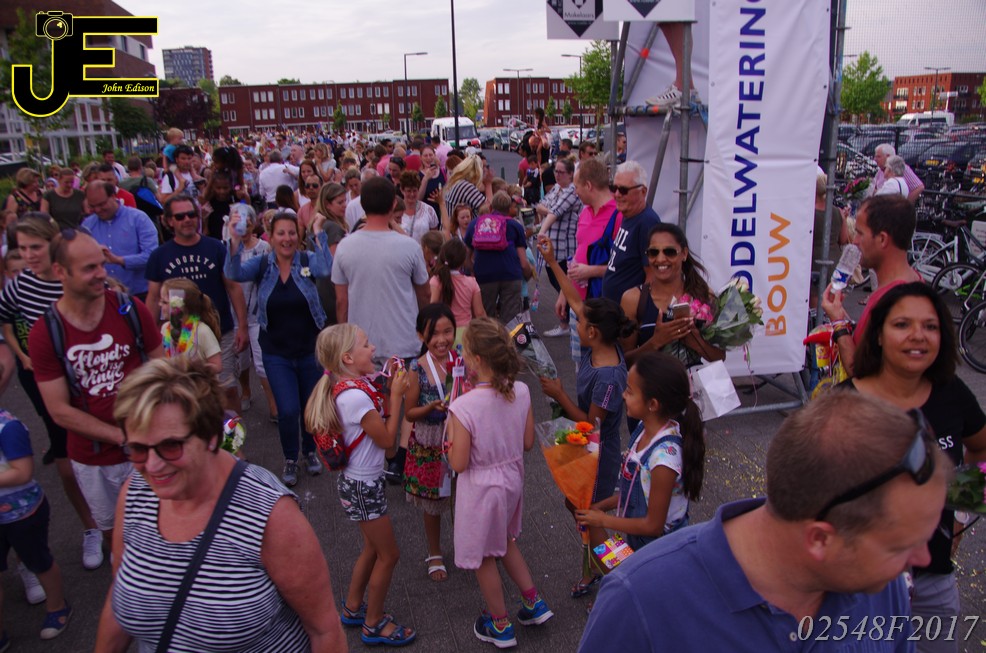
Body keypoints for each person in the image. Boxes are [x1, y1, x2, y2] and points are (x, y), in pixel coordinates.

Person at [580, 391, 949, 651]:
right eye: (900, 546)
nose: (923, 559)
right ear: (820, 539)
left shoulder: (883, 585)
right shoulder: (639, 605)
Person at [95, 356, 346, 652]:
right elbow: (121, 597)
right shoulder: (134, 494)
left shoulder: (269, 514)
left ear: (212, 437)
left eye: (171, 445)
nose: (152, 466)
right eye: (137, 448)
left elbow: (324, 630)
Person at [837, 283, 986, 653]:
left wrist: (962, 512)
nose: (918, 335)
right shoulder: (842, 404)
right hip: (857, 584)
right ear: (879, 335)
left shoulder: (951, 392)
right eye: (902, 324)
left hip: (933, 581)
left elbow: (981, 447)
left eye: (930, 326)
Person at [28, 231, 164, 566]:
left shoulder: (130, 309)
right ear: (60, 272)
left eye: (102, 264)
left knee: (165, 525)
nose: (102, 274)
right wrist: (121, 437)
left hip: (150, 446)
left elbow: (161, 369)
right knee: (115, 533)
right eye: (90, 268)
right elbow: (59, 411)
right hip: (94, 460)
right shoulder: (46, 333)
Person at [304, 324, 416, 647]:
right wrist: (396, 397)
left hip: (359, 483)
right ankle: (373, 623)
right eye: (366, 345)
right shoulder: (355, 398)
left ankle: (353, 608)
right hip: (364, 487)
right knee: (389, 555)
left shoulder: (353, 385)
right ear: (348, 358)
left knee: (371, 548)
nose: (373, 348)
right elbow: (389, 444)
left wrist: (389, 384)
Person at [0, 215, 102, 569]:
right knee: (66, 465)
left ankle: (121, 523)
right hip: (46, 379)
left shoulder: (76, 278)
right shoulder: (20, 285)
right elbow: (4, 316)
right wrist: (19, 353)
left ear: (55, 245)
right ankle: (91, 527)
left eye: (36, 247)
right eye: (22, 248)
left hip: (91, 376)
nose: (28, 255)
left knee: (108, 458)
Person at [447, 318, 553, 648]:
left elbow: (459, 463)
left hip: (481, 489)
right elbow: (527, 442)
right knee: (505, 541)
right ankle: (533, 603)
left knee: (483, 556)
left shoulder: (462, 406)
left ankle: (500, 623)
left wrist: (449, 444)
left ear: (477, 360)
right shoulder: (520, 391)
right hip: (511, 480)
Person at [537, 236, 633, 596]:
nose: (575, 324)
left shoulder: (608, 376)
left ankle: (622, 579)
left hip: (599, 454)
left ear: (592, 333)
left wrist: (559, 394)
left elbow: (592, 425)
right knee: (578, 508)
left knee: (591, 515)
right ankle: (595, 569)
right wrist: (551, 260)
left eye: (580, 324)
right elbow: (576, 300)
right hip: (586, 448)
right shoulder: (601, 342)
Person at [226, 210, 332, 487]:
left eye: (292, 233)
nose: (287, 239)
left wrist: (318, 232)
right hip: (276, 353)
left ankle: (309, 451)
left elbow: (325, 270)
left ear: (299, 235)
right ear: (271, 237)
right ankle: (290, 457)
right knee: (287, 410)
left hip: (309, 350)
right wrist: (234, 241)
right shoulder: (262, 265)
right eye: (281, 233)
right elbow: (233, 273)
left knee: (309, 408)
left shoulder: (307, 260)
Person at [577, 351, 705, 553]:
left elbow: (653, 526)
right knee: (606, 557)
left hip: (660, 551)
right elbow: (639, 492)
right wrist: (601, 506)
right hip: (641, 542)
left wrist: (603, 520)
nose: (623, 395)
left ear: (652, 404)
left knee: (614, 563)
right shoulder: (642, 430)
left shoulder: (664, 461)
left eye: (629, 391)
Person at [145, 195, 250, 412]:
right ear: (169, 221)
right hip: (179, 331)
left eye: (191, 214)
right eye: (180, 216)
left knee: (227, 388)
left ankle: (233, 433)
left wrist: (242, 326)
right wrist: (150, 333)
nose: (187, 220)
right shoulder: (160, 255)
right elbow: (154, 297)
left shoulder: (216, 248)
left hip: (218, 327)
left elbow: (233, 287)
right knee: (189, 392)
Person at [333, 176, 430, 368]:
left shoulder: (345, 246)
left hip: (360, 346)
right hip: (404, 343)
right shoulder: (410, 246)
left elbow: (341, 301)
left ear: (362, 204)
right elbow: (424, 294)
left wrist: (345, 341)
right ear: (394, 204)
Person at [821, 194, 922, 376]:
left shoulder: (892, 300)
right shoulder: (913, 281)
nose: (855, 241)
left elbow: (859, 371)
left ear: (882, 239)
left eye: (860, 233)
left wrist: (838, 324)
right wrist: (841, 315)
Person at [0, 402, 71, 643]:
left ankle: (57, 606)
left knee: (40, 562)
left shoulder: (8, 427)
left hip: (23, 514)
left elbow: (23, 472)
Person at [619, 223, 724, 369]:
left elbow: (719, 357)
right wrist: (656, 342)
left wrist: (695, 340)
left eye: (669, 252)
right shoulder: (633, 299)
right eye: (653, 252)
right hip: (649, 382)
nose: (660, 259)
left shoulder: (702, 295)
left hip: (690, 383)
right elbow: (622, 362)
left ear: (684, 254)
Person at [403, 304, 457, 583]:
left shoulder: (461, 359)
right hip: (430, 441)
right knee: (432, 501)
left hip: (459, 437)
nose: (442, 339)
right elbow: (409, 413)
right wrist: (430, 407)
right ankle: (434, 552)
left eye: (448, 331)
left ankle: (468, 542)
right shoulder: (417, 367)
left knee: (464, 495)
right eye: (434, 333)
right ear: (420, 336)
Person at [81, 181, 159, 300]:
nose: (98, 209)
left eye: (102, 204)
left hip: (139, 294)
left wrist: (119, 260)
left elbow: (151, 256)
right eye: (92, 206)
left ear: (113, 196)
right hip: (105, 296)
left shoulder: (138, 219)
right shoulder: (87, 225)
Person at [465, 191, 532, 322]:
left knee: (485, 318)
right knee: (511, 320)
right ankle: (508, 336)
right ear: (509, 208)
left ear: (490, 208)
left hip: (484, 276)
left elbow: (466, 258)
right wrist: (528, 274)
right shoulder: (515, 226)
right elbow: (523, 263)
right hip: (511, 276)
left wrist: (474, 271)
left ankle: (488, 335)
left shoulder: (476, 224)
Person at [536, 156, 583, 338]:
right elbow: (541, 206)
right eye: (556, 171)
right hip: (551, 247)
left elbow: (555, 211)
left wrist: (543, 229)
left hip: (564, 248)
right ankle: (566, 321)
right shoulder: (557, 189)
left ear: (571, 174)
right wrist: (551, 211)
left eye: (561, 172)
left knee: (565, 286)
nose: (557, 175)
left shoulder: (571, 191)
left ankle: (568, 322)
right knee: (557, 285)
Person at [602, 161, 661, 305]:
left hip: (626, 313)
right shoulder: (628, 214)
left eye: (623, 190)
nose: (617, 194)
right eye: (614, 188)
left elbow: (652, 276)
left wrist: (639, 311)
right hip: (612, 308)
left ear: (643, 192)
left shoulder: (647, 222)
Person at [158, 277, 222, 374]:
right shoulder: (165, 328)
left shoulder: (202, 331)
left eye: (164, 302)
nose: (159, 304)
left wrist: (191, 367)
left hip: (198, 383)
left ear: (178, 306)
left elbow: (217, 366)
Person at [430, 238, 485, 344]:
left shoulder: (437, 280)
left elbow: (432, 308)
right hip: (465, 333)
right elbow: (479, 312)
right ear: (463, 261)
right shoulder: (471, 282)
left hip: (443, 332)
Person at [442, 155, 492, 220]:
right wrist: (488, 184)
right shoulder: (465, 187)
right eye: (483, 167)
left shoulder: (457, 182)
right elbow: (488, 209)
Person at [398, 171, 439, 242]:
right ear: (402, 190)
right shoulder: (394, 211)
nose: (412, 194)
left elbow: (435, 238)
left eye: (414, 190)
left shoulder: (429, 210)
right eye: (408, 191)